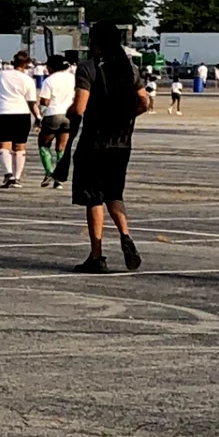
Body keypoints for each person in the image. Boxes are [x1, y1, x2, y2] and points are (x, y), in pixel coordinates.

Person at [69, 21, 151, 273]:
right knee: (114, 193)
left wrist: (69, 113)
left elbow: (80, 107)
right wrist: (125, 117)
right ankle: (125, 234)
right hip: (122, 143)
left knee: (93, 197)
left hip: (94, 142)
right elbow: (144, 101)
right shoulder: (129, 68)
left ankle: (97, 255)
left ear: (94, 43)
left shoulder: (88, 68)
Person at [0, 51, 40, 188]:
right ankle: (17, 177)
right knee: (20, 146)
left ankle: (8, 174)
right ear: (27, 64)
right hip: (22, 113)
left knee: (3, 145)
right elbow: (31, 102)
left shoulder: (1, 75)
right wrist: (38, 117)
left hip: (4, 112)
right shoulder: (28, 80)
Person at [36, 54, 75, 188]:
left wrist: (39, 115)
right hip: (68, 114)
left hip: (53, 114)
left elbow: (44, 101)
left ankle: (49, 172)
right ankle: (59, 177)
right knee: (61, 147)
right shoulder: (72, 78)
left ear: (51, 67)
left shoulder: (50, 80)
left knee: (43, 144)